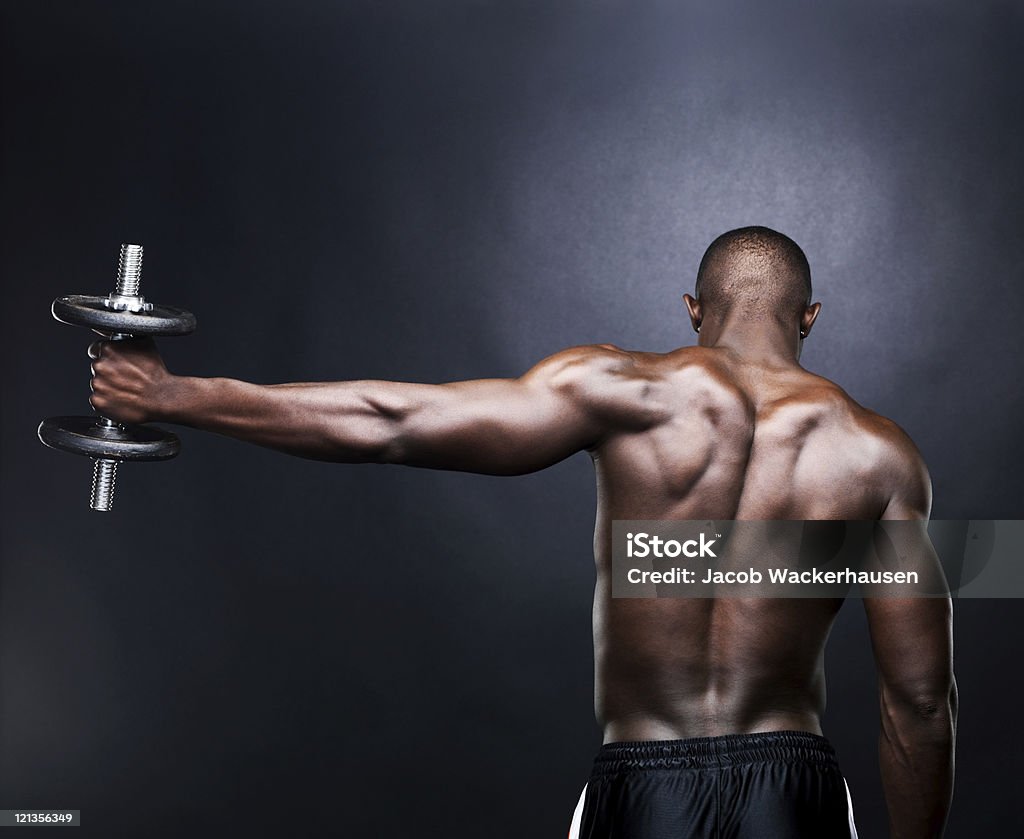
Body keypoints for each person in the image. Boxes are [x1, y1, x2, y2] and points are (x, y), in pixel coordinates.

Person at [88, 226, 957, 838]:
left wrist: (173, 395)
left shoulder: (623, 391)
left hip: (641, 784)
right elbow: (918, 702)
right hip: (791, 791)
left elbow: (392, 420)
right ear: (810, 318)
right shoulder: (880, 457)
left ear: (695, 309)